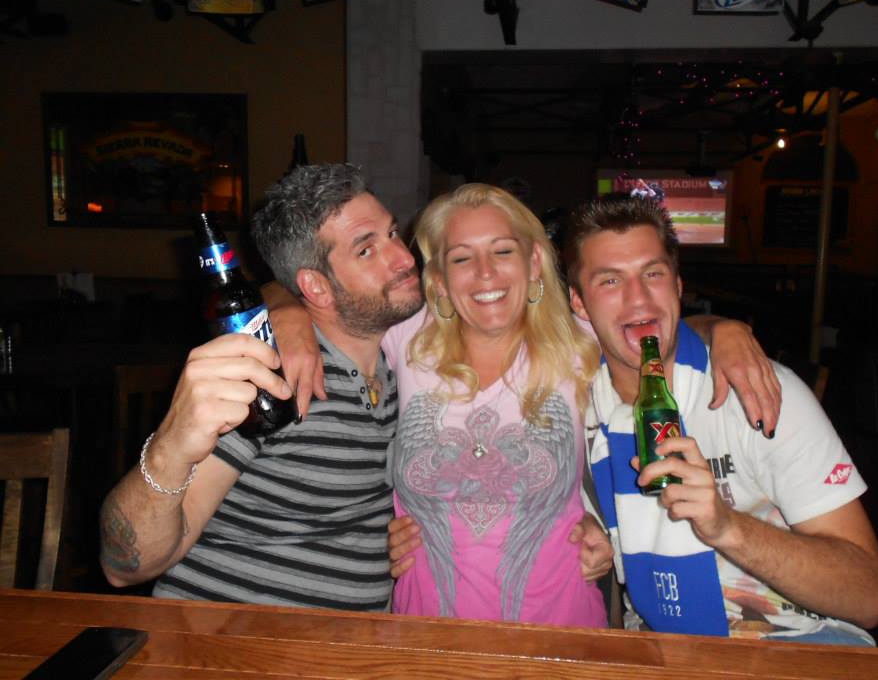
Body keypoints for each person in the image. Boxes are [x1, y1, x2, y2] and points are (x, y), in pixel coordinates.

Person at [272, 184, 781, 626]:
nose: (485, 273)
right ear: (439, 279)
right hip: (426, 635)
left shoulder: (579, 342)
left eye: (503, 251)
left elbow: (650, 323)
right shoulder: (406, 339)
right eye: (461, 258)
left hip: (557, 632)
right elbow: (300, 283)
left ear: (534, 260)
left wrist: (723, 329)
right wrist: (285, 311)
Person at [563, 193, 878, 643]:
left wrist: (726, 526)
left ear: (678, 286)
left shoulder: (755, 392)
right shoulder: (575, 407)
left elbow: (871, 597)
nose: (638, 298)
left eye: (653, 273)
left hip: (797, 642)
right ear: (580, 303)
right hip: (661, 646)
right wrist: (583, 537)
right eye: (609, 281)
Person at [98, 163, 424, 609]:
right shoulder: (270, 377)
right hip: (228, 638)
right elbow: (126, 567)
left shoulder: (404, 361)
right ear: (316, 287)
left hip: (349, 642)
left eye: (393, 234)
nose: (404, 258)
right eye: (367, 250)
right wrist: (169, 446)